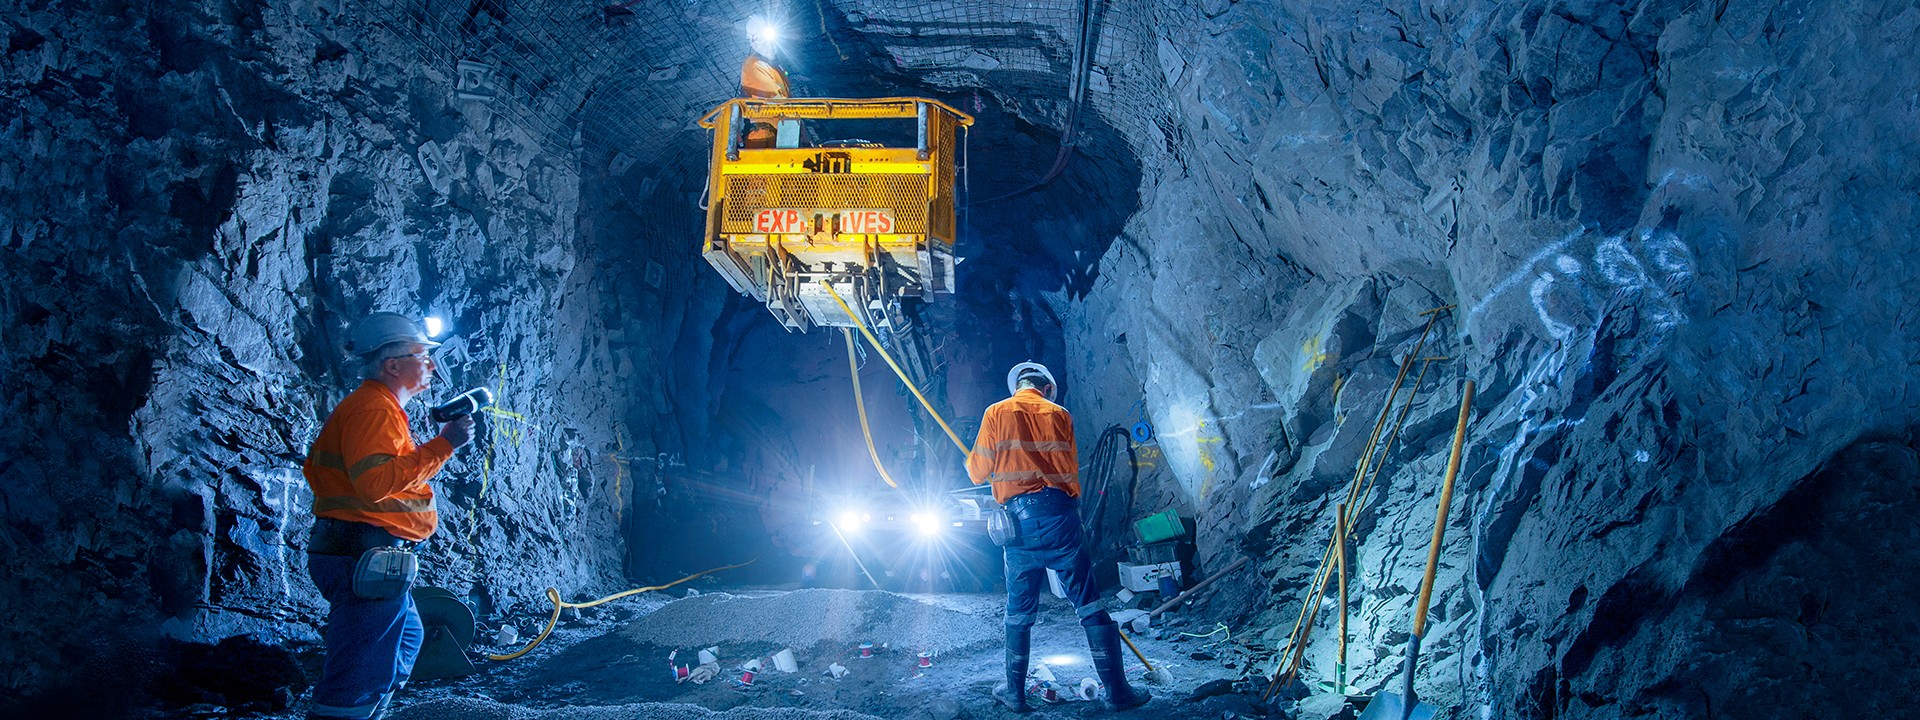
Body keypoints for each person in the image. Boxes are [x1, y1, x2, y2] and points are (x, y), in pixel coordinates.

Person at [302, 312, 474, 720]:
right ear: (393, 365)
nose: (432, 364)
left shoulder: (382, 409)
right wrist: (444, 446)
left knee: (405, 639)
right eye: (422, 355)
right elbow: (376, 483)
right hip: (361, 555)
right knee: (359, 668)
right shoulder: (373, 410)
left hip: (368, 554)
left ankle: (367, 712)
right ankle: (346, 712)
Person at [968, 362, 1150, 712]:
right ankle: (1118, 694)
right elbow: (1067, 471)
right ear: (1048, 389)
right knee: (1089, 603)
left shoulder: (997, 412)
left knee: (1019, 612)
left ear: (1018, 387)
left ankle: (1015, 695)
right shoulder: (1061, 414)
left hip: (1018, 526)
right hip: (1061, 515)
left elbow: (977, 472)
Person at [740, 21, 792, 149]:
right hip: (763, 136)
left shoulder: (776, 68)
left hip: (781, 132)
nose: (770, 45)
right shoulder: (754, 65)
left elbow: (788, 103)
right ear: (753, 41)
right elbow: (775, 101)